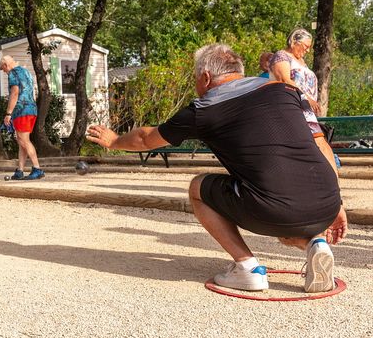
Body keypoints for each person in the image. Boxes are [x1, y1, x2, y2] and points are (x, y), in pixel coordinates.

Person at [86, 43, 348, 293]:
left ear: (206, 77)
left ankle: (247, 268)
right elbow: (321, 145)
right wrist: (336, 202)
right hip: (325, 204)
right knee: (283, 200)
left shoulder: (204, 108)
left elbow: (146, 138)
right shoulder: (288, 91)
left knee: (198, 188)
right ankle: (315, 244)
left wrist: (114, 141)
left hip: (273, 210)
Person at [260, 27, 339, 173]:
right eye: (306, 46)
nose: (308, 50)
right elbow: (284, 80)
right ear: (294, 42)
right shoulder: (282, 56)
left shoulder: (301, 61)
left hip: (304, 109)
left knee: (314, 142)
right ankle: (330, 176)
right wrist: (308, 99)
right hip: (291, 106)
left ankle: (325, 175)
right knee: (316, 141)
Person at [0, 55, 44, 181]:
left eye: (3, 69)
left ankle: (37, 169)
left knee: (24, 141)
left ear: (6, 65)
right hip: (31, 109)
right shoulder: (26, 72)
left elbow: (15, 93)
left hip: (21, 110)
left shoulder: (12, 73)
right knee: (22, 141)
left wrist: (8, 113)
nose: (4, 71)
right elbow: (31, 92)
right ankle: (20, 170)